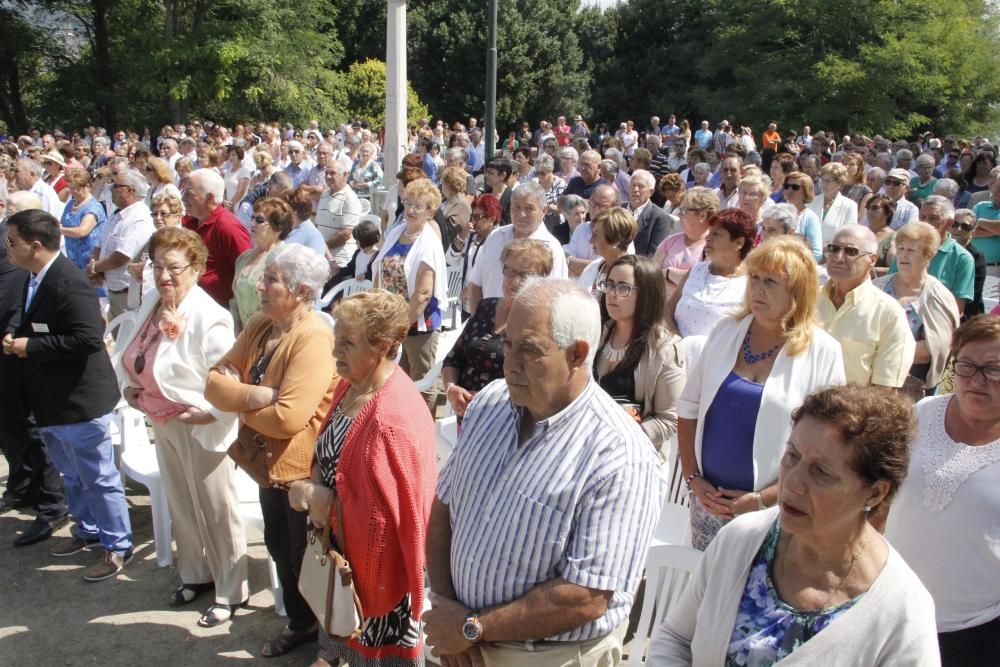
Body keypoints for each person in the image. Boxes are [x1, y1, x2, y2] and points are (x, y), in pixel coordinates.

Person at [424, 279, 667, 666]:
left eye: (529, 349)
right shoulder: (490, 403)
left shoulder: (620, 456)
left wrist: (472, 627)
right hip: (459, 642)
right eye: (507, 344)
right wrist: (449, 612)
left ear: (577, 354)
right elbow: (442, 511)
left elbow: (586, 596)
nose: (510, 362)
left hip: (546, 656)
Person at [650, 384, 939, 665]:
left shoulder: (902, 614)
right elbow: (676, 639)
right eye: (792, 456)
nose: (793, 483)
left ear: (875, 492)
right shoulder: (741, 539)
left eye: (822, 472)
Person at [290, 290, 438, 667]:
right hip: (345, 567)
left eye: (348, 343)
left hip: (379, 580)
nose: (336, 351)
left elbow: (388, 521)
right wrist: (318, 478)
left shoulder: (389, 419)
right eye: (336, 340)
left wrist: (315, 497)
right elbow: (329, 450)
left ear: (384, 347)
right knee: (343, 645)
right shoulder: (352, 383)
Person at [204, 243, 337, 658]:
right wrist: (259, 395)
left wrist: (240, 406)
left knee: (308, 557)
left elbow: (288, 419)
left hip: (300, 469)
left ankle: (326, 640)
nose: (260, 285)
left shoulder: (313, 337)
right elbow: (212, 384)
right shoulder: (262, 325)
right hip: (267, 464)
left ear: (300, 290)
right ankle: (300, 624)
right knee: (280, 548)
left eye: (272, 279)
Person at [112, 226, 247, 626]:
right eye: (156, 265)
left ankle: (229, 589)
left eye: (173, 267)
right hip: (160, 418)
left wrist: (207, 412)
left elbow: (230, 380)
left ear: (196, 267)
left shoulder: (211, 316)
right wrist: (130, 390)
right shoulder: (152, 300)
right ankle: (195, 574)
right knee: (181, 503)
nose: (163, 275)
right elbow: (129, 351)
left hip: (200, 423)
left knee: (215, 507)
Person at [677, 237, 846, 549]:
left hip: (774, 510)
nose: (757, 289)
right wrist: (693, 480)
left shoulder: (824, 351)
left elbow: (825, 445)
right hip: (707, 502)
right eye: (754, 278)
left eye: (770, 281)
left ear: (797, 290)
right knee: (705, 588)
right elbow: (688, 409)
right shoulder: (726, 329)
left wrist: (761, 499)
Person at [2, 209, 133, 581]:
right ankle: (88, 530)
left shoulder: (68, 281)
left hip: (80, 401)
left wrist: (31, 346)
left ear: (36, 245)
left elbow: (89, 337)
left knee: (98, 477)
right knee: (72, 475)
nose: (6, 249)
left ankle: (117, 545)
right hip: (52, 401)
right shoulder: (33, 277)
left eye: (12, 243)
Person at [885, 316, 1000, 666]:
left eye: (993, 369)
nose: (976, 381)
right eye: (966, 365)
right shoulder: (922, 414)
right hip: (890, 612)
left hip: (974, 630)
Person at [0, 211, 68, 545]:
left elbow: (81, 336)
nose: (7, 246)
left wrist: (19, 338)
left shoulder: (47, 274)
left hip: (29, 366)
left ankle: (52, 506)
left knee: (35, 434)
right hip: (15, 361)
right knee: (12, 431)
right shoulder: (26, 270)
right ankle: (23, 487)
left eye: (11, 241)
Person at [442, 239, 552, 418]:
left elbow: (540, 383)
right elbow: (453, 359)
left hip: (509, 422)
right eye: (509, 271)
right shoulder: (487, 307)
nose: (515, 281)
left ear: (542, 280)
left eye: (525, 275)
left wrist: (487, 400)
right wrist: (451, 389)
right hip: (467, 418)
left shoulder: (541, 324)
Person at [596, 254, 685, 458]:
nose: (612, 294)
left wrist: (621, 438)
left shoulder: (665, 348)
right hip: (590, 453)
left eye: (623, 287)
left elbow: (669, 420)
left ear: (646, 294)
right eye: (609, 285)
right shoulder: (598, 332)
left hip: (635, 459)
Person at [371, 178, 447, 403]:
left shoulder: (428, 242)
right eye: (408, 203)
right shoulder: (397, 232)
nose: (411, 210)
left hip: (418, 321)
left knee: (421, 378)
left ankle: (425, 430)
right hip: (390, 318)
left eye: (418, 206)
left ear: (430, 212)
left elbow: (423, 294)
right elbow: (380, 266)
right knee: (395, 377)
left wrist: (401, 325)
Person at [817, 225, 916, 388]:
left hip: (849, 411)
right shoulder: (808, 300)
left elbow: (884, 391)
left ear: (872, 260)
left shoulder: (889, 314)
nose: (838, 257)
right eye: (833, 249)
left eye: (851, 252)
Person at [873, 221, 960, 395]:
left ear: (928, 256)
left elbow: (935, 347)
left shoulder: (936, 295)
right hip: (869, 378)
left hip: (912, 385)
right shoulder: (876, 287)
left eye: (911, 250)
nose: (903, 255)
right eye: (901, 249)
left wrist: (882, 352)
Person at [465, 182, 569, 314]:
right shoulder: (495, 236)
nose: (522, 214)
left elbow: (556, 300)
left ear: (544, 211)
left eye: (529, 208)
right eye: (516, 207)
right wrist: (478, 320)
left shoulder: (551, 248)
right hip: (487, 327)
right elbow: (476, 284)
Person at [666, 209, 755, 361]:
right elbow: (667, 311)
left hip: (714, 364)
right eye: (710, 232)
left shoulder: (750, 284)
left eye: (717, 234)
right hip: (674, 357)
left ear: (739, 243)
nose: (708, 238)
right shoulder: (696, 270)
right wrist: (679, 345)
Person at [87, 168, 154, 319]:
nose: (111, 189)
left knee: (128, 338)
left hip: (128, 295)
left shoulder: (139, 218)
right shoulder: (117, 215)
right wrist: (96, 269)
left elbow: (122, 256)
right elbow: (99, 245)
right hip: (112, 290)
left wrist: (93, 268)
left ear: (130, 190)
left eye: (115, 186)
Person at [182, 169, 252, 306]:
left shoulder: (228, 227)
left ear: (210, 198)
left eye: (189, 194)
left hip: (218, 311)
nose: (183, 198)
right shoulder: (190, 221)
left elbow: (247, 271)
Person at [231, 197, 292, 331]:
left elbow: (283, 307)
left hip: (269, 334)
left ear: (278, 228)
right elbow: (234, 301)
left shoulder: (284, 260)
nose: (252, 223)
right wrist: (236, 332)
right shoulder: (243, 258)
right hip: (242, 336)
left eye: (259, 220)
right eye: (252, 218)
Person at [654, 186, 719, 295]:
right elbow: (651, 276)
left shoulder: (714, 245)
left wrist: (669, 272)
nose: (679, 214)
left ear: (702, 215)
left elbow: (702, 281)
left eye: (684, 210)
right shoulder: (670, 241)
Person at [314, 160, 362, 271]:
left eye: (332, 173)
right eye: (326, 173)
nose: (328, 176)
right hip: (323, 260)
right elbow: (318, 226)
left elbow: (345, 234)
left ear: (345, 175)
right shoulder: (325, 195)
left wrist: (321, 247)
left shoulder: (350, 198)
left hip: (341, 262)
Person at [58, 168, 107, 275]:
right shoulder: (70, 204)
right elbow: (62, 222)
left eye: (77, 188)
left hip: (90, 262)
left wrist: (60, 230)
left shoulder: (94, 207)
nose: (74, 191)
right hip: (73, 260)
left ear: (88, 186)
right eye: (71, 188)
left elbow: (82, 231)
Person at [582, 207, 639, 295]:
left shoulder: (637, 275)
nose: (590, 241)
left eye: (596, 234)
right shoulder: (592, 268)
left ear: (616, 240)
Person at [810, 162, 859, 243]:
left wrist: (827, 248)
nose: (824, 184)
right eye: (823, 180)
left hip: (832, 253)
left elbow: (849, 235)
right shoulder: (811, 202)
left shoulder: (850, 206)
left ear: (840, 183)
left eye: (828, 181)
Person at [781, 170, 823, 260]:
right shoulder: (776, 212)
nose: (789, 190)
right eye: (786, 186)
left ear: (806, 190)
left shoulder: (810, 218)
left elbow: (817, 253)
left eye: (795, 187)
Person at [282, 185, 327, 256]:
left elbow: (316, 265)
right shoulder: (281, 228)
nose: (279, 211)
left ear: (295, 211)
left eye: (283, 209)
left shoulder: (313, 236)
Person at [865, 193, 898, 270]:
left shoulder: (894, 237)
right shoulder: (859, 232)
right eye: (868, 208)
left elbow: (893, 270)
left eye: (875, 208)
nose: (869, 211)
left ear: (888, 213)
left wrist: (868, 271)